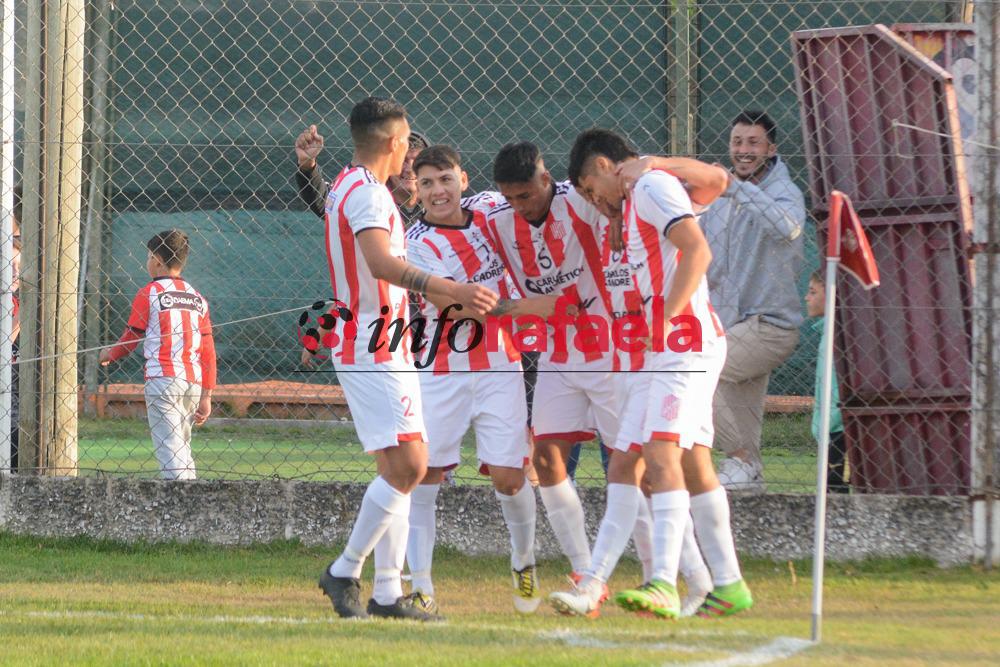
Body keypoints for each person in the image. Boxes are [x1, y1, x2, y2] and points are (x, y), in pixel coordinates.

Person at [549, 128, 752, 621]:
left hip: (682, 347)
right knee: (638, 465)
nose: (597, 204)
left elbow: (697, 250)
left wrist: (664, 320)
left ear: (601, 167)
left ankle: (662, 581)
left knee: (660, 455)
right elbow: (713, 185)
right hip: (656, 354)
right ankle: (725, 585)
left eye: (593, 192)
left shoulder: (650, 186)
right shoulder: (633, 201)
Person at [311, 96, 497, 621]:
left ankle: (389, 592)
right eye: (407, 139)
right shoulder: (367, 194)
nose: (409, 150)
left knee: (398, 469)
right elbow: (379, 262)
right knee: (412, 465)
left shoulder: (349, 184)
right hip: (373, 341)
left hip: (382, 339)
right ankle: (345, 569)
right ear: (395, 142)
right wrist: (447, 285)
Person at [403, 144, 561, 614]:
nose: (437, 191)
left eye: (445, 179)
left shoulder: (492, 208)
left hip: (500, 367)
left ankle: (524, 562)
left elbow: (532, 227)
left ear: (464, 180)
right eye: (426, 182)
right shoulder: (417, 243)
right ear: (416, 188)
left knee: (511, 479)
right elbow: (451, 305)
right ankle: (422, 585)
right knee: (425, 475)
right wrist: (526, 305)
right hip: (442, 372)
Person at [483, 141, 629, 607]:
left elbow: (626, 201)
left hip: (607, 352)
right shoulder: (496, 219)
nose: (518, 207)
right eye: (508, 197)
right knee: (546, 460)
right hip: (557, 355)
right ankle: (586, 572)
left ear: (545, 180)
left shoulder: (582, 201)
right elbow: (493, 295)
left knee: (636, 466)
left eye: (524, 196)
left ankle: (677, 568)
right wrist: (524, 307)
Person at [698, 110, 805, 492]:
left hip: (771, 326)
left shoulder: (785, 193)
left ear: (771, 148)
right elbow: (705, 258)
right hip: (730, 324)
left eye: (753, 143)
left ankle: (740, 459)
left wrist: (736, 188)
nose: (743, 150)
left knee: (700, 371)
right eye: (737, 142)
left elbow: (787, 228)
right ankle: (749, 476)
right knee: (740, 407)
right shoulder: (721, 200)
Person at [99, 230, 215, 481]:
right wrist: (207, 394)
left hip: (162, 380)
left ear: (158, 261)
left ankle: (179, 505)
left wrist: (109, 353)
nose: (147, 262)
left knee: (169, 447)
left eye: (149, 256)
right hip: (192, 383)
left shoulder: (148, 293)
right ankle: (192, 496)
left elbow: (131, 338)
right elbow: (208, 351)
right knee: (182, 445)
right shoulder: (197, 298)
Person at [294, 123, 430, 226]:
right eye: (403, 160)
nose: (410, 169)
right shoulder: (369, 197)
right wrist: (307, 165)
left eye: (417, 161)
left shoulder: (439, 204)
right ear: (390, 162)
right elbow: (326, 202)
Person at [805, 269, 848, 492]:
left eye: (813, 292)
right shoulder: (827, 332)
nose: (806, 297)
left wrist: (830, 420)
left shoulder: (838, 335)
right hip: (829, 426)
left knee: (835, 492)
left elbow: (837, 387)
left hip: (837, 427)